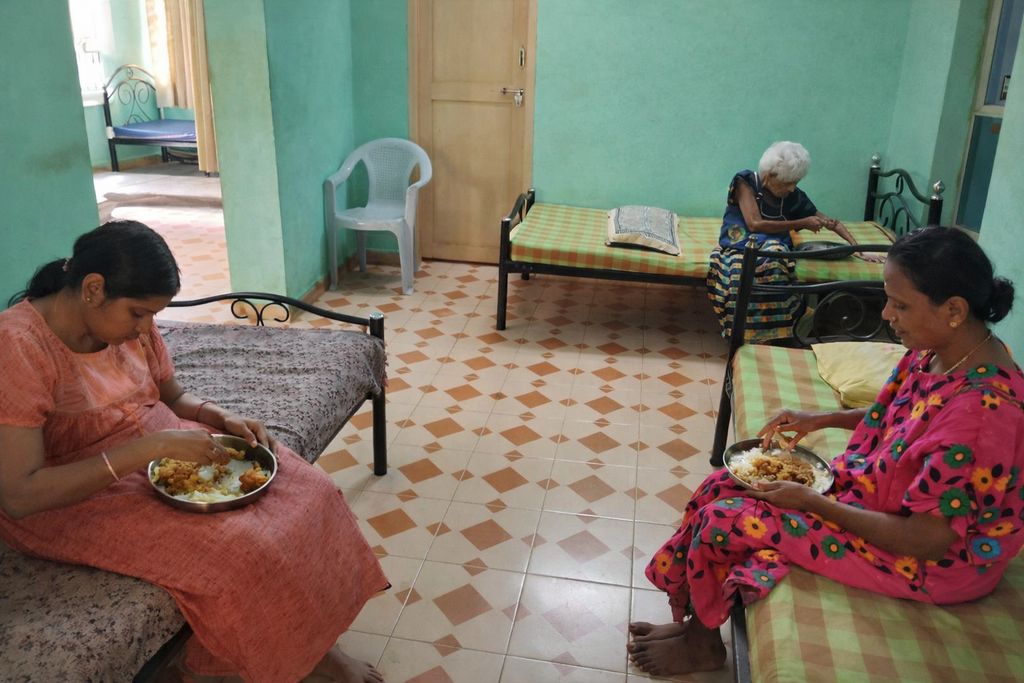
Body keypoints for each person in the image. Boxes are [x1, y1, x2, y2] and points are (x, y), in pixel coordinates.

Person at [0, 221, 389, 683]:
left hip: (154, 450)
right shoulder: (18, 347)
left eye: (152, 317)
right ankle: (237, 664)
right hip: (70, 496)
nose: (146, 329)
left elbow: (173, 397)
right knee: (241, 549)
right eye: (138, 314)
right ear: (92, 289)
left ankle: (320, 644)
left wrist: (220, 417)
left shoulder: (129, 329)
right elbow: (20, 496)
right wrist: (150, 448)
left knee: (311, 493)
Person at [630, 226, 1023, 677]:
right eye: (888, 298)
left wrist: (811, 502)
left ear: (954, 309)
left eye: (901, 305)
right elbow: (905, 419)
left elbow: (930, 538)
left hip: (933, 561)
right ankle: (695, 623)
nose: (887, 314)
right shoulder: (944, 350)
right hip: (883, 502)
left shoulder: (983, 414)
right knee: (723, 482)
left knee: (727, 520)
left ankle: (702, 645)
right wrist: (819, 418)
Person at [706, 141, 885, 342]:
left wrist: (858, 249)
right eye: (787, 182)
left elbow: (831, 222)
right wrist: (802, 222)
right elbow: (754, 223)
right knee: (741, 269)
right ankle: (749, 333)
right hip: (739, 244)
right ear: (769, 175)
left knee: (774, 258)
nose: (792, 188)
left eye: (796, 182)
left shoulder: (794, 196)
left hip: (773, 247)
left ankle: (776, 334)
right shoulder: (745, 182)